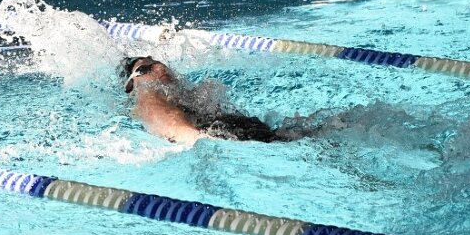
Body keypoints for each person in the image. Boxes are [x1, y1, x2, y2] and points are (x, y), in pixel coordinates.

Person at [120, 55, 320, 144]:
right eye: (144, 70)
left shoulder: (187, 94)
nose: (160, 68)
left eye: (157, 63)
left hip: (252, 135)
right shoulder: (145, 97)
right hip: (233, 143)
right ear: (130, 85)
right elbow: (174, 126)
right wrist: (197, 138)